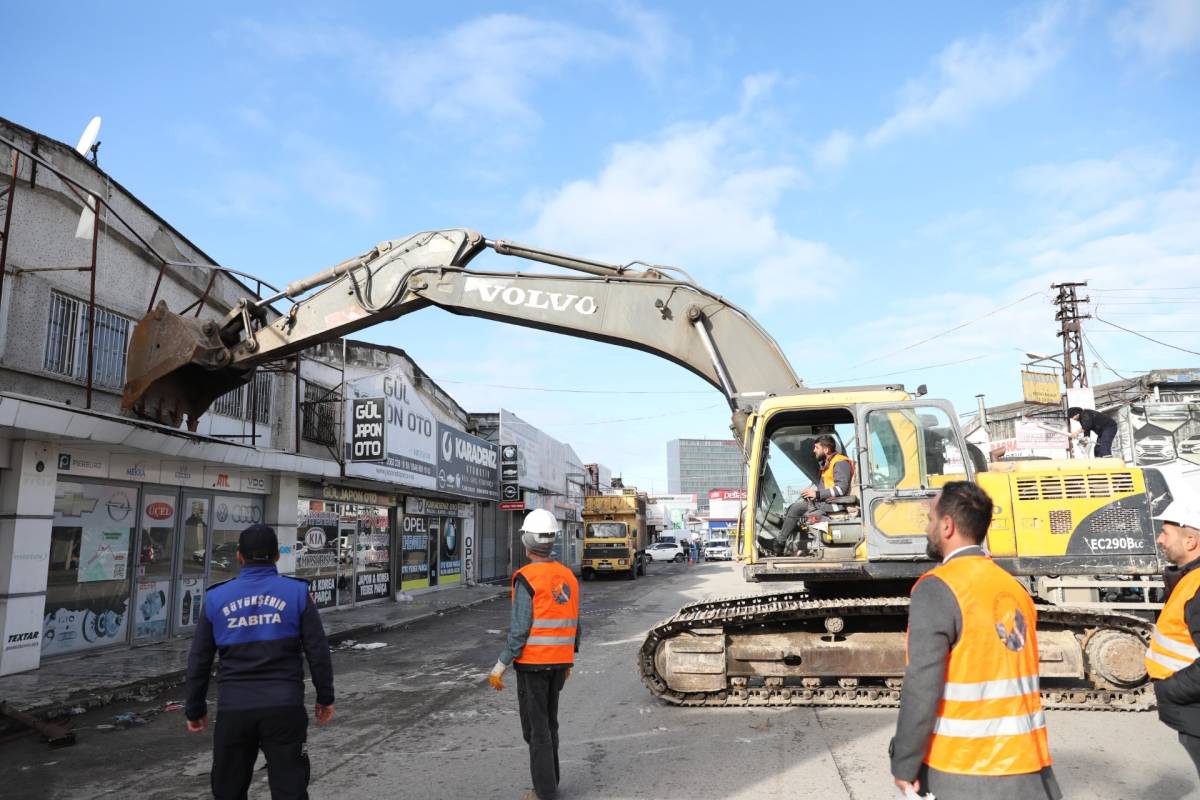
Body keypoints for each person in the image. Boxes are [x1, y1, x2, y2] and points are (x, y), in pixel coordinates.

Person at [891, 481, 1060, 800]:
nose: (928, 527)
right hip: (1029, 769)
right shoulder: (1013, 589)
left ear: (947, 525)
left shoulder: (937, 588)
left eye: (930, 519)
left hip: (968, 770)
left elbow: (922, 685)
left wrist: (904, 762)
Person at [185, 524, 335, 800]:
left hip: (234, 710)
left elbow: (199, 659)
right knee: (291, 788)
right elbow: (318, 651)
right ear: (277, 556)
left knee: (228, 789)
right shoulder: (297, 594)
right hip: (284, 709)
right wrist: (325, 698)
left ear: (239, 556)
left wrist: (194, 709)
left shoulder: (216, 598)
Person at [489, 509, 580, 800]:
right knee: (549, 724)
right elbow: (576, 623)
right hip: (558, 664)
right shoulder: (568, 576)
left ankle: (545, 793)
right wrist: (568, 658)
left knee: (536, 729)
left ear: (526, 540)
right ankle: (550, 783)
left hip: (533, 665)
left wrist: (500, 665)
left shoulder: (526, 579)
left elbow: (519, 631)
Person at [1145, 487, 1200, 778]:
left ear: (1190, 541)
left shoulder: (1197, 586)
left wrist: (1169, 690)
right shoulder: (1190, 580)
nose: (1159, 539)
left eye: (1165, 532)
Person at [777, 434, 854, 555]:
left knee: (796, 509)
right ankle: (781, 543)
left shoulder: (840, 462)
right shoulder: (830, 462)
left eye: (816, 448)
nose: (814, 451)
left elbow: (841, 489)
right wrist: (812, 495)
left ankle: (780, 544)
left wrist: (817, 494)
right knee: (794, 508)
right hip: (826, 502)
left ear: (826, 449)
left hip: (834, 505)